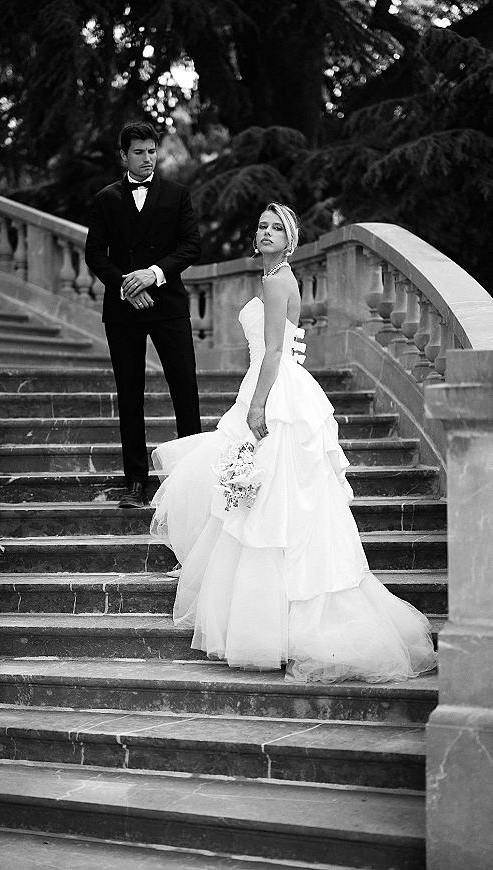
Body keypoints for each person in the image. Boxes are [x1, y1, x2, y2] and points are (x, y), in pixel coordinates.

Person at [150, 202, 437, 683]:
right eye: (261, 225)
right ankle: (273, 621)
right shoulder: (276, 277)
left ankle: (278, 626)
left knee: (269, 507)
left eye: (275, 227)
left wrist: (257, 407)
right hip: (274, 384)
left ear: (290, 238)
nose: (265, 232)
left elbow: (276, 351)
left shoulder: (276, 281)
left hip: (275, 391)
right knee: (261, 503)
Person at [85, 121, 202, 508]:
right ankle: (136, 482)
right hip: (123, 310)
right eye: (139, 152)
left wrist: (151, 275)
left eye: (152, 151)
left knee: (184, 389)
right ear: (124, 155)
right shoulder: (105, 198)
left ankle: (191, 478)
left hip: (168, 305)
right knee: (130, 395)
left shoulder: (176, 194)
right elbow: (94, 253)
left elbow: (191, 247)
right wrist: (125, 285)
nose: (147, 158)